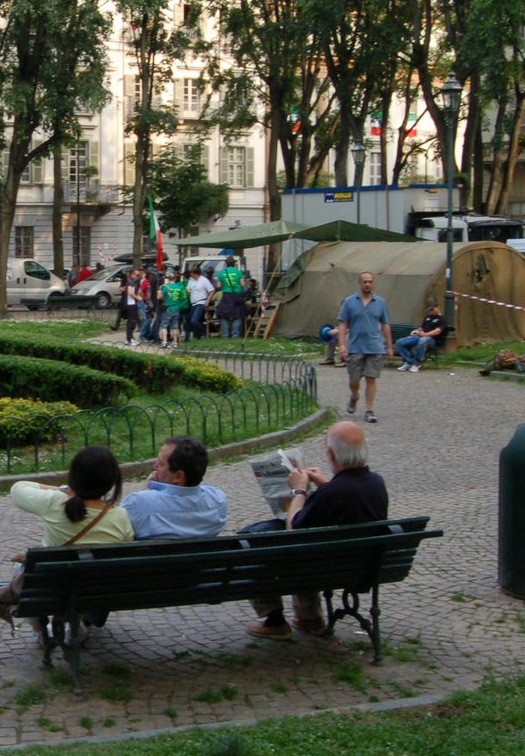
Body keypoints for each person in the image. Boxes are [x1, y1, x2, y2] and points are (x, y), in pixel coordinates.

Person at [246, 420, 388, 639]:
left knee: (257, 540)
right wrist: (326, 484)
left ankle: (274, 621)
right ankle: (309, 616)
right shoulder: (376, 483)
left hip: (320, 568)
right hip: (361, 567)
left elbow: (294, 528)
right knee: (313, 549)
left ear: (331, 454)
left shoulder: (331, 494)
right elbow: (345, 496)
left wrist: (299, 491)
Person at [10, 446, 133, 547]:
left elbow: (18, 488)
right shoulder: (121, 517)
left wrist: (63, 490)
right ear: (111, 482)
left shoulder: (55, 501)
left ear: (73, 475)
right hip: (100, 577)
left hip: (54, 576)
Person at [121, 436, 229, 540]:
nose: (155, 466)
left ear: (178, 476)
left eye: (161, 464)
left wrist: (149, 490)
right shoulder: (218, 500)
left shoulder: (137, 503)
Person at [336, 271, 394, 424]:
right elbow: (342, 324)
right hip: (355, 346)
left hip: (375, 346)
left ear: (373, 283)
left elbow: (385, 324)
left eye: (370, 282)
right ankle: (354, 395)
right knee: (354, 379)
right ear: (359, 283)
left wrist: (389, 346)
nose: (367, 284)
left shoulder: (380, 302)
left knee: (371, 379)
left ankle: (369, 410)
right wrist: (342, 345)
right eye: (365, 282)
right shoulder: (349, 302)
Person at [395, 299, 445, 372]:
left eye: (432, 309)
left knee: (422, 341)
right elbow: (422, 327)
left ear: (437, 308)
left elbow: (437, 331)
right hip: (420, 335)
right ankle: (408, 362)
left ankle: (417, 363)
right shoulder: (427, 317)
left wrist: (425, 334)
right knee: (400, 342)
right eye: (430, 310)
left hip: (431, 339)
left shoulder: (442, 319)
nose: (431, 311)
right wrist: (416, 331)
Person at [214, 257, 247, 338]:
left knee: (224, 315)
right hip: (237, 296)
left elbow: (218, 286)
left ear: (226, 263)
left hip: (226, 296)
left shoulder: (222, 273)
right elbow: (243, 284)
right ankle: (235, 335)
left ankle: (225, 335)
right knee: (238, 315)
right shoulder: (238, 272)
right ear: (234, 263)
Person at [158, 268, 189, 348]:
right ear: (175, 278)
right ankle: (175, 342)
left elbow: (159, 297)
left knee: (164, 325)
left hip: (168, 308)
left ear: (168, 279)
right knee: (175, 326)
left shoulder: (166, 287)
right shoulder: (179, 287)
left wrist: (159, 291)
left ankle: (164, 342)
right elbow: (182, 297)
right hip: (177, 308)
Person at [186, 266, 214, 340]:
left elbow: (212, 290)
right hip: (193, 303)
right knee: (198, 321)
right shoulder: (191, 280)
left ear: (195, 273)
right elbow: (188, 290)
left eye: (191, 273)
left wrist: (207, 300)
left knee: (194, 320)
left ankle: (203, 333)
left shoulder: (204, 280)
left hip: (201, 302)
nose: (190, 274)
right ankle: (197, 337)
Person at [119, 266, 143, 345]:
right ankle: (129, 339)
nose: (138, 277)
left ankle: (130, 338)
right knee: (131, 322)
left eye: (138, 275)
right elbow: (130, 292)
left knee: (131, 322)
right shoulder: (131, 282)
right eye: (137, 275)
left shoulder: (131, 281)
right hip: (131, 304)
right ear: (132, 274)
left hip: (130, 304)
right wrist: (138, 298)